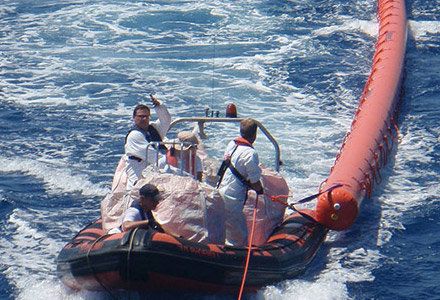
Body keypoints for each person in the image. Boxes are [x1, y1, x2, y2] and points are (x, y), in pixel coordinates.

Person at [217, 118, 264, 246]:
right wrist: (261, 191)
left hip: (221, 188)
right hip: (233, 196)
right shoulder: (250, 153)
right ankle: (238, 255)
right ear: (254, 135)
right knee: (239, 234)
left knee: (223, 225)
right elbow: (255, 181)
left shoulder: (232, 144)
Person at [125, 94, 171, 191]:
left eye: (146, 116)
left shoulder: (153, 129)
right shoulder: (134, 136)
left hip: (155, 167)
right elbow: (156, 158)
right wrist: (174, 159)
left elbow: (166, 120)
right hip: (139, 171)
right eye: (141, 116)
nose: (144, 119)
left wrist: (159, 106)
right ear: (134, 118)